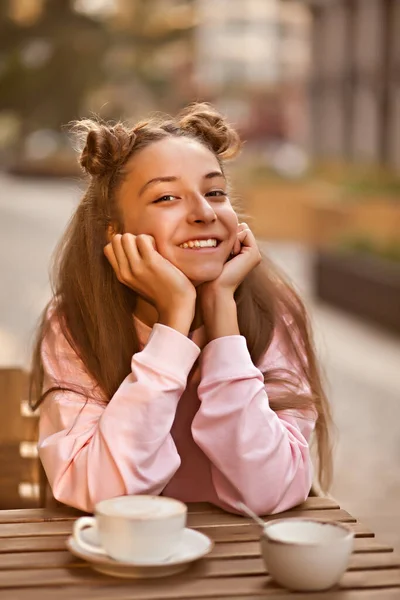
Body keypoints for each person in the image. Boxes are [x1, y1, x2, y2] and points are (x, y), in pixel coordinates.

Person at [30, 103, 333, 515]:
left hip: (242, 563)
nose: (205, 213)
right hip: (121, 564)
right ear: (114, 232)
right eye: (167, 197)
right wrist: (174, 327)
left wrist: (223, 320)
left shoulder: (273, 313)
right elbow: (102, 494)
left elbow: (269, 490)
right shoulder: (74, 322)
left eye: (215, 192)